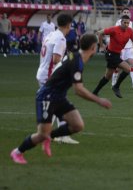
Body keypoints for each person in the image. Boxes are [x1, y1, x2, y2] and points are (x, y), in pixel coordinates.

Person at [10, 33, 112, 164]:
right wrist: (99, 100)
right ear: (93, 47)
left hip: (59, 97)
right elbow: (78, 90)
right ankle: (17, 152)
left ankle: (49, 137)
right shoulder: (77, 61)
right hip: (47, 96)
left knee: (77, 125)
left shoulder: (74, 55)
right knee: (41, 134)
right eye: (97, 45)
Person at [36, 13, 80, 145]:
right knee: (56, 104)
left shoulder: (51, 35)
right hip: (50, 76)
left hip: (42, 72)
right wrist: (68, 62)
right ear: (68, 25)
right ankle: (48, 135)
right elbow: (56, 59)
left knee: (56, 104)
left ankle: (60, 134)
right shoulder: (61, 38)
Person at [93, 15, 133, 98]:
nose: (126, 24)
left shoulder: (130, 31)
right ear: (121, 22)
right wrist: (101, 45)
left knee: (107, 77)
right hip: (111, 54)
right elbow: (99, 33)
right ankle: (116, 87)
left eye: (128, 23)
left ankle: (95, 92)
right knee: (128, 69)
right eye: (124, 22)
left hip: (117, 55)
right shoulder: (114, 29)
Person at [111, 8, 133, 89]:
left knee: (132, 64)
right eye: (124, 12)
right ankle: (113, 82)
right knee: (118, 67)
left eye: (127, 12)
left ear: (130, 14)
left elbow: (131, 33)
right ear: (121, 14)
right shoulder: (118, 22)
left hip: (129, 47)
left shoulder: (130, 23)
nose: (126, 13)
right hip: (121, 48)